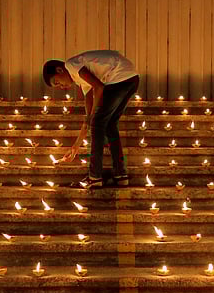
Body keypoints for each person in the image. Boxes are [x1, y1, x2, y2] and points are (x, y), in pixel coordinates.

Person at [42, 50, 140, 189]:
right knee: (110, 125)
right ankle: (120, 175)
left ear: (60, 70)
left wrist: (94, 118)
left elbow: (99, 87)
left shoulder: (71, 65)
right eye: (58, 86)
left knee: (99, 124)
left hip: (119, 78)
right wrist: (76, 146)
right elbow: (88, 118)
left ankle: (95, 177)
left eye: (57, 82)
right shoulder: (81, 80)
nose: (61, 87)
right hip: (131, 78)